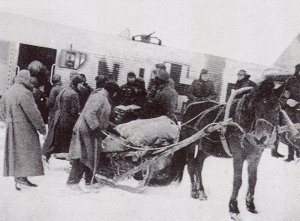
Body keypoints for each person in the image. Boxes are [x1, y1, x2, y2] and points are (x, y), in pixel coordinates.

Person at [0, 70, 46, 190]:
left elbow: (1, 110)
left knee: (16, 153)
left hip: (12, 128)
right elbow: (33, 113)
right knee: (26, 153)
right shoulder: (24, 93)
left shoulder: (9, 91)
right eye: (28, 79)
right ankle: (21, 179)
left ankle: (20, 178)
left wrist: (8, 120)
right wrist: (42, 128)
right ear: (25, 79)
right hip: (24, 129)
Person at [67, 75, 111, 190]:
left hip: (88, 129)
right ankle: (72, 182)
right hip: (86, 130)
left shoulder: (99, 95)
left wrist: (110, 126)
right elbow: (90, 113)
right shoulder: (100, 97)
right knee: (83, 156)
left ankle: (90, 181)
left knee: (90, 156)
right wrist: (96, 129)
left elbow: (101, 114)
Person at [42, 75, 83, 161]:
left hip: (58, 119)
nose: (82, 86)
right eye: (81, 84)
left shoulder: (64, 89)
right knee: (64, 144)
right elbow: (74, 111)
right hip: (67, 122)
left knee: (55, 141)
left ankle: (46, 155)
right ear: (77, 83)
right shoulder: (74, 94)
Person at [279, 64, 300, 161]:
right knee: (290, 132)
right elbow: (281, 96)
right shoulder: (290, 81)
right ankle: (291, 155)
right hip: (290, 112)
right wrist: (287, 101)